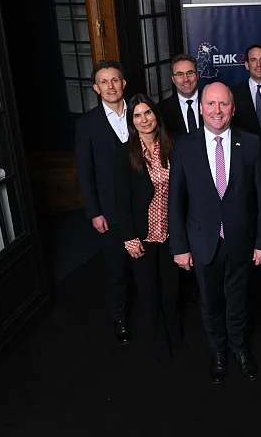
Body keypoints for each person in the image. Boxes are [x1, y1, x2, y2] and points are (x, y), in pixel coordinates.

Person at [168, 82, 261, 384]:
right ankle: (217, 351)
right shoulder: (184, 146)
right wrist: (180, 247)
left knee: (238, 300)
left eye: (223, 104)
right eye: (211, 104)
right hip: (202, 243)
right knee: (211, 302)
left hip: (241, 242)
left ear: (233, 108)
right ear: (201, 107)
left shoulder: (252, 144)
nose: (217, 111)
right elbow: (176, 201)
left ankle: (239, 347)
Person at [114, 94, 180, 363]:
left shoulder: (173, 145)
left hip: (171, 233)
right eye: (138, 115)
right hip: (142, 235)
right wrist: (129, 236)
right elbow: (122, 199)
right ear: (132, 121)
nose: (144, 119)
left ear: (156, 115)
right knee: (148, 292)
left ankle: (174, 335)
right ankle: (156, 343)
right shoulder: (125, 152)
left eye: (148, 113)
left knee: (171, 290)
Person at [75, 60, 132, 345]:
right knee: (116, 268)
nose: (111, 86)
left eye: (115, 80)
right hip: (110, 211)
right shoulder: (87, 124)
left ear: (124, 83)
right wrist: (94, 212)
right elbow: (85, 173)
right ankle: (119, 318)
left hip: (143, 206)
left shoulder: (140, 113)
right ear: (96, 88)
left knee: (146, 264)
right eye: (104, 82)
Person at [159, 54, 200, 137]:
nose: (186, 79)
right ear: (173, 79)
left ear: (197, 76)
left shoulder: (212, 102)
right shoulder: (161, 110)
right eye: (180, 74)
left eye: (190, 73)